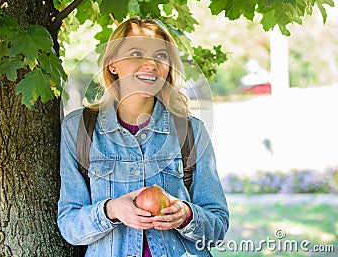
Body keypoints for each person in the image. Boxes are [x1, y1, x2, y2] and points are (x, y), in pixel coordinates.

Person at [57, 17, 229, 256]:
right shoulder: (79, 129)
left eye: (160, 56)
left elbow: (217, 227)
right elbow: (69, 225)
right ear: (113, 64)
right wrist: (111, 210)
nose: (151, 64)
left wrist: (186, 215)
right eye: (136, 53)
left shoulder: (191, 131)